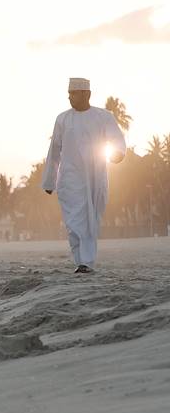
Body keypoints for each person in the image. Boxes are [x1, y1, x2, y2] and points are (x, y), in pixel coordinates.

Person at [42, 77, 126, 273]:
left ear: (86, 94)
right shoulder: (62, 119)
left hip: (96, 177)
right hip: (69, 178)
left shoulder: (104, 116)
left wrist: (118, 154)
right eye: (69, 93)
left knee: (90, 220)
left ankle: (85, 262)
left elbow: (117, 139)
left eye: (73, 93)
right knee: (74, 221)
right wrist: (49, 180)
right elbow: (54, 150)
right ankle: (82, 262)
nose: (69, 97)